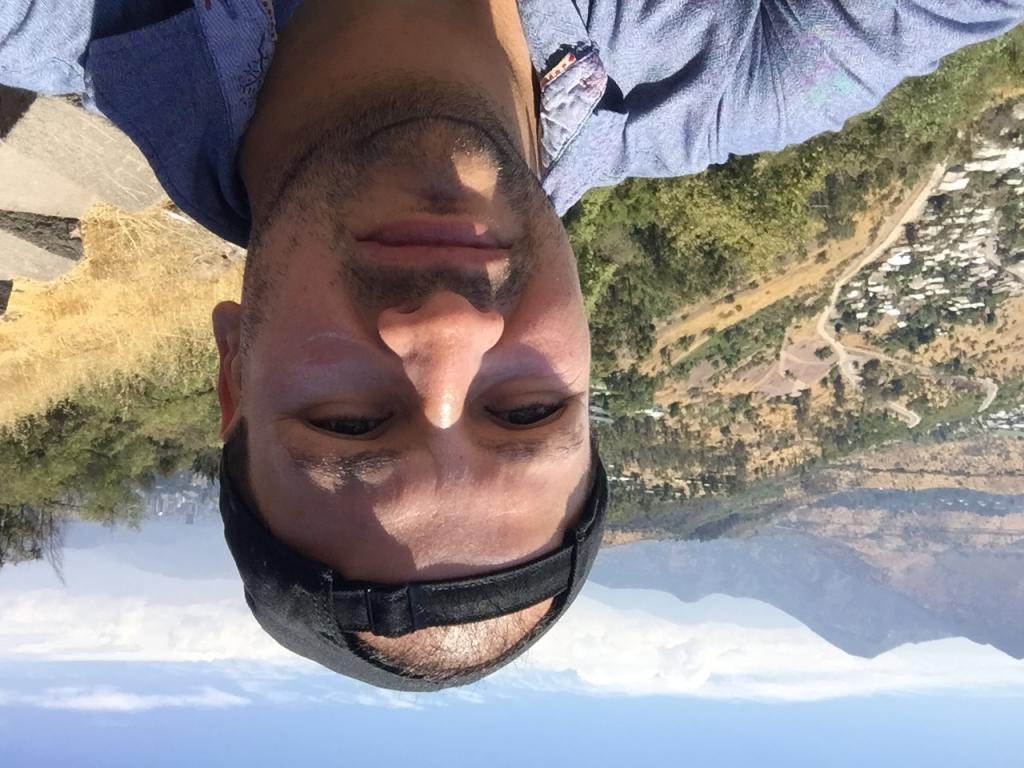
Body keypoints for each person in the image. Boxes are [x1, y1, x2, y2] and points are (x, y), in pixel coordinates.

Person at [3, 0, 1022, 690]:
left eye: (350, 420)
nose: (450, 331)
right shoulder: (738, 63)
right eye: (527, 410)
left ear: (234, 371)